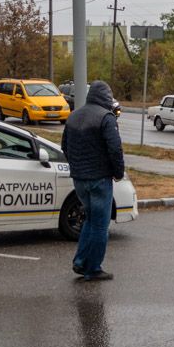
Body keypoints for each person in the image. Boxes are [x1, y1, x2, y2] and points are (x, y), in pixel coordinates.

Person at [61, 80, 126, 281]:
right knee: (100, 225)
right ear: (106, 96)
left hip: (79, 179)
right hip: (99, 179)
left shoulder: (74, 116)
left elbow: (64, 146)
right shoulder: (106, 118)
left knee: (89, 219)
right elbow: (115, 149)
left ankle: (80, 261)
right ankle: (93, 268)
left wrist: (77, 166)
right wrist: (118, 172)